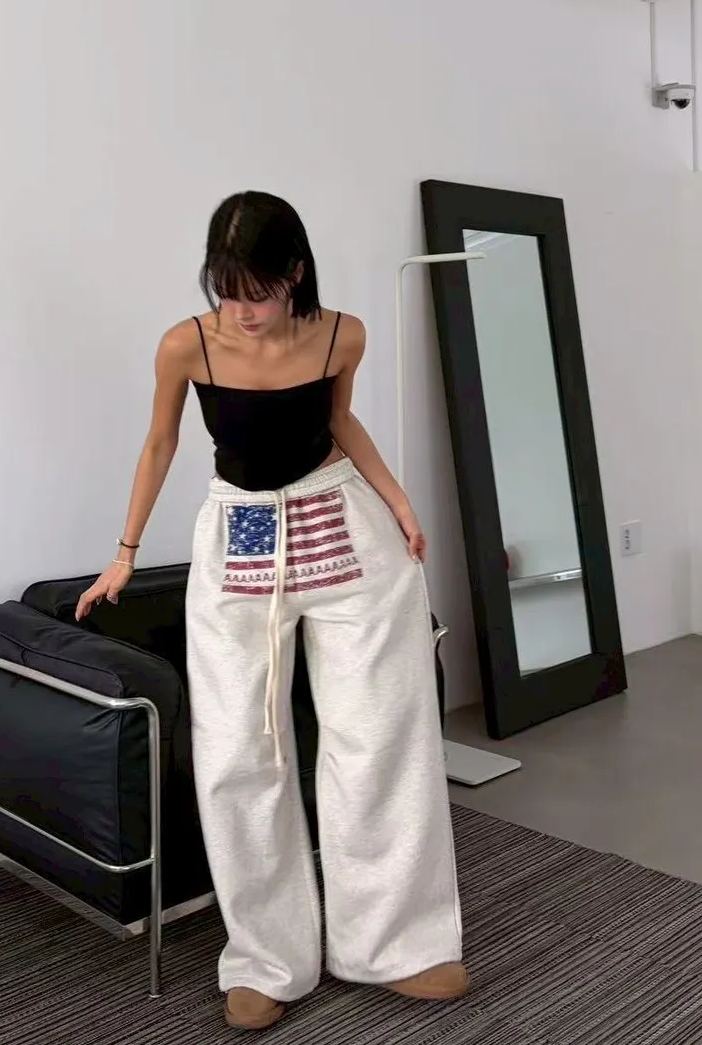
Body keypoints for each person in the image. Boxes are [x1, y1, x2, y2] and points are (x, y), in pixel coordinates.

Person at [76, 191, 466, 1031]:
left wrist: (398, 502)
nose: (240, 311)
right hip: (243, 529)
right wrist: (125, 554)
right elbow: (160, 442)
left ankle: (397, 943)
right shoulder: (187, 344)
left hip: (343, 524)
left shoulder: (342, 335)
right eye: (225, 290)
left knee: (379, 736)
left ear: (295, 273)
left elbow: (340, 421)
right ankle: (266, 958)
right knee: (238, 750)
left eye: (256, 292)